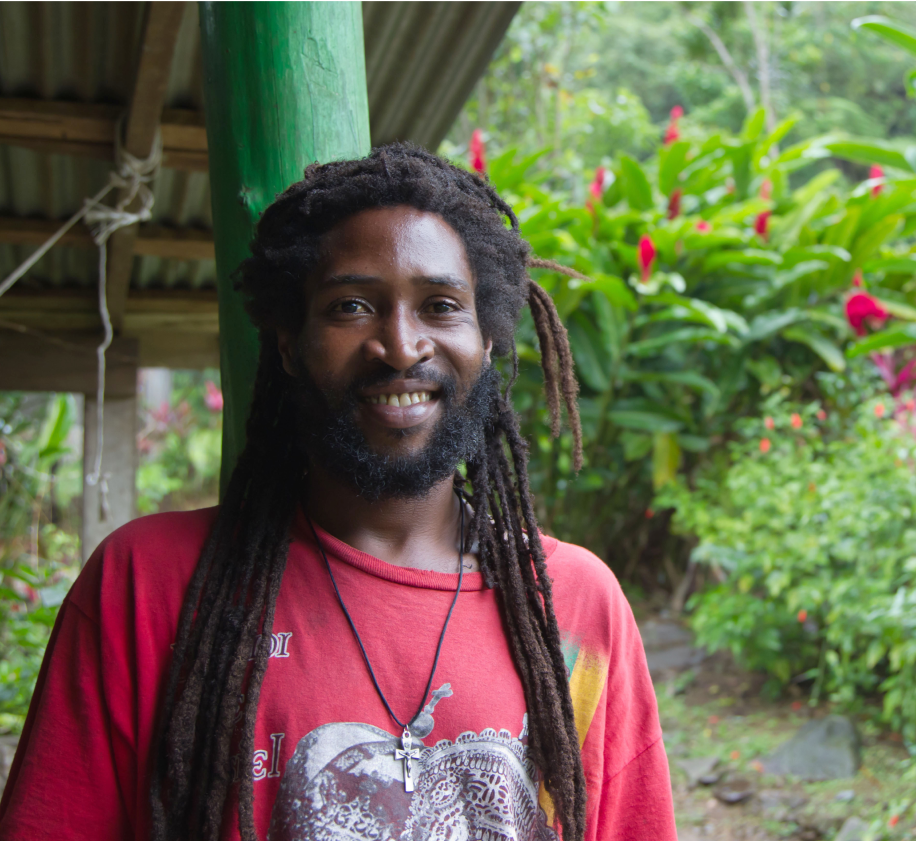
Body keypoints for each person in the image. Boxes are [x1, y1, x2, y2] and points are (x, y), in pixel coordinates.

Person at [0, 144, 675, 841]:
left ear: (487, 342)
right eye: (351, 306)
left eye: (441, 305)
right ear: (289, 344)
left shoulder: (575, 603)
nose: (401, 346)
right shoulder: (147, 584)